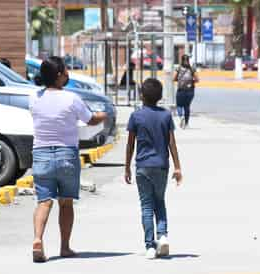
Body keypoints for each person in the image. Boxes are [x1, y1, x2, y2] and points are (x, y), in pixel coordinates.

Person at [29, 56, 107, 263]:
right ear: (59, 75)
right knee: (66, 203)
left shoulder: (34, 98)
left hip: (41, 155)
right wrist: (103, 115)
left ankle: (38, 239)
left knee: (43, 202)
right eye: (65, 71)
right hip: (66, 155)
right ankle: (64, 247)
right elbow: (90, 120)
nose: (68, 74)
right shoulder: (71, 98)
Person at [125, 78, 183, 259]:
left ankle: (150, 245)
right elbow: (171, 143)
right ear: (159, 97)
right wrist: (178, 167)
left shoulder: (136, 116)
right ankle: (163, 236)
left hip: (142, 166)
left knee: (147, 206)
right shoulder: (166, 116)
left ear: (142, 95)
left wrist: (127, 167)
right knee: (160, 201)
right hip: (161, 166)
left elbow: (130, 144)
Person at [174, 54, 199, 129]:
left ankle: (181, 117)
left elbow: (174, 78)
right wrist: (191, 81)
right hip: (190, 90)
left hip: (181, 90)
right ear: (188, 60)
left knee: (179, 105)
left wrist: (178, 80)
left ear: (181, 60)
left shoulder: (178, 68)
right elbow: (197, 79)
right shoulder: (192, 69)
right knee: (187, 106)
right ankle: (187, 124)